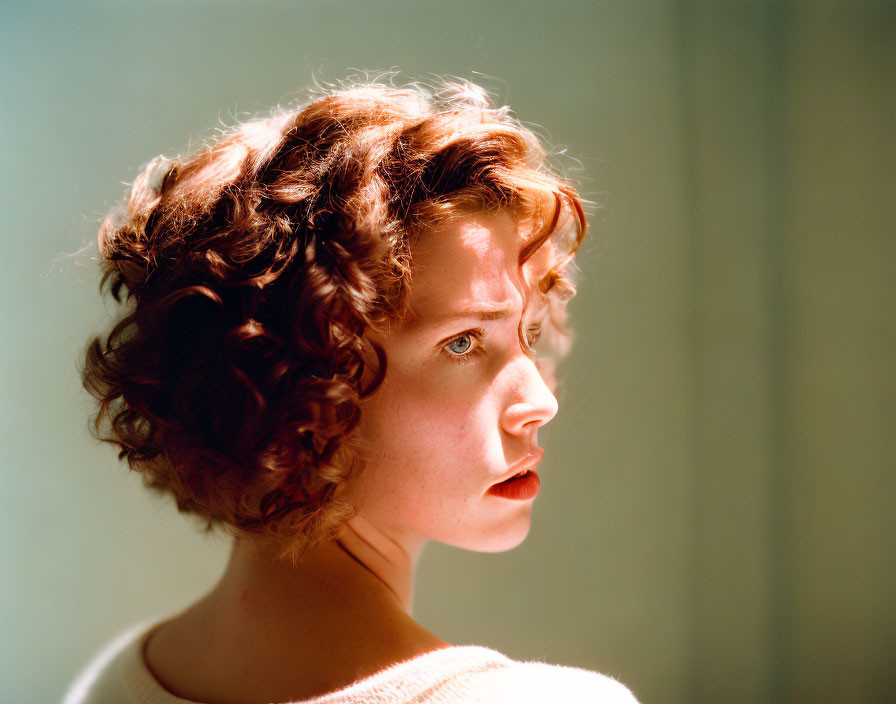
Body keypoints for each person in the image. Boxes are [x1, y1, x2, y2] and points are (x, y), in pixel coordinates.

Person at [64, 75, 640, 704]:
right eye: (463, 343)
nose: (540, 401)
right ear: (295, 378)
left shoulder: (112, 683)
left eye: (529, 333)